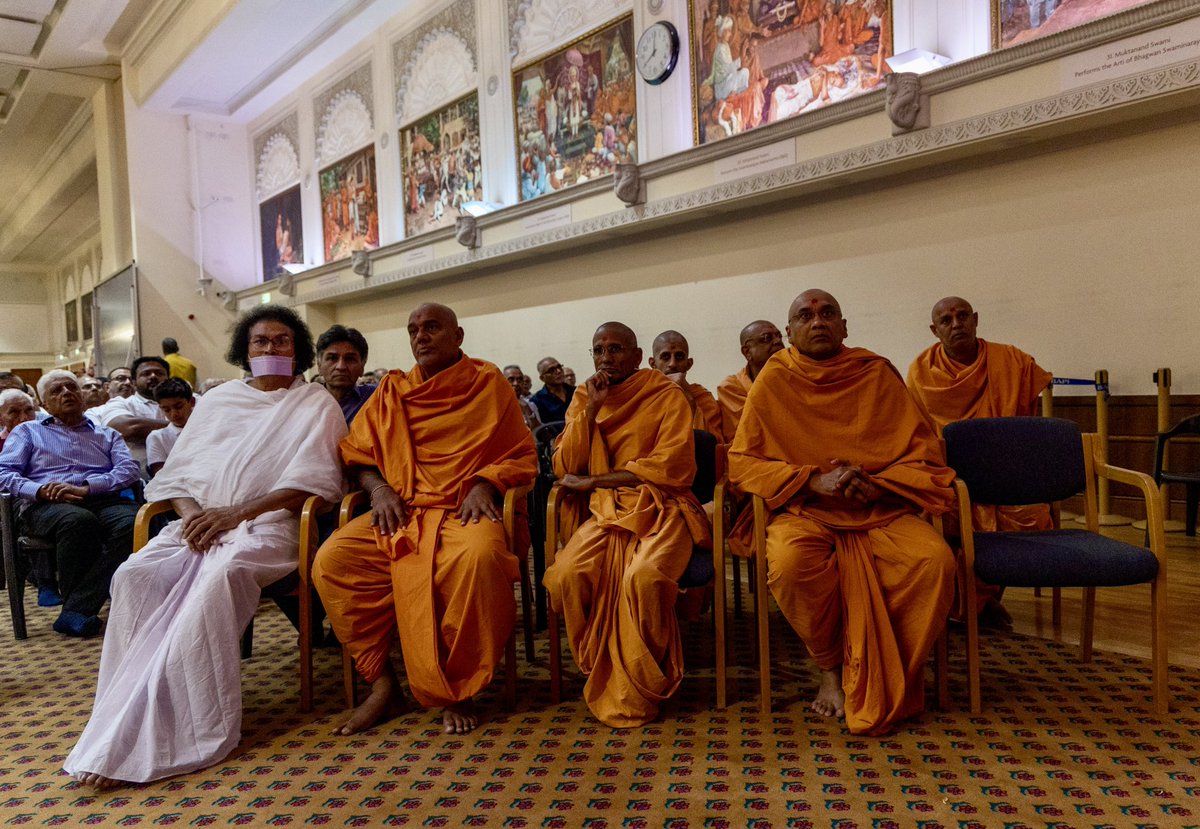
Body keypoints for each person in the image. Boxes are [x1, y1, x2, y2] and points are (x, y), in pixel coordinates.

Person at [62, 305, 346, 788]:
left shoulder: (315, 403)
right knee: (134, 575)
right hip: (199, 524)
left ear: (297, 348)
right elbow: (177, 475)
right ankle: (124, 715)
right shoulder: (219, 400)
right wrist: (194, 516)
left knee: (218, 579)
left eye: (281, 340)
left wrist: (236, 515)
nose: (271, 348)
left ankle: (189, 726)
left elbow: (313, 483)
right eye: (261, 341)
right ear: (245, 350)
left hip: (271, 527)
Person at [728, 290, 956, 736]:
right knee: (790, 564)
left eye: (827, 313)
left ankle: (890, 673)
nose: (817, 322)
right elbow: (743, 462)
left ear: (844, 326)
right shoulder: (774, 379)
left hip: (880, 507)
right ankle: (831, 669)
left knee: (934, 562)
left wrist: (879, 484)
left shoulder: (874, 372)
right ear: (789, 331)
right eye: (805, 316)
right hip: (805, 509)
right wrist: (811, 480)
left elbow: (923, 453)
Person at [313, 303, 538, 737]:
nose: (421, 337)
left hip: (464, 509)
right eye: (413, 329)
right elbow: (358, 456)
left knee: (478, 560)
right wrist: (379, 490)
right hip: (403, 511)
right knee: (332, 561)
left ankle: (458, 688)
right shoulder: (392, 390)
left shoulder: (487, 382)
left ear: (458, 336)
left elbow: (520, 454)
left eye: (432, 327)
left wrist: (485, 484)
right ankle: (383, 685)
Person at [543, 322, 710, 727]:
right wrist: (591, 410)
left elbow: (674, 466)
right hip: (605, 512)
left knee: (644, 578)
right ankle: (599, 663)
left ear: (637, 357)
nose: (606, 358)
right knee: (565, 575)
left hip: (663, 507)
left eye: (616, 349)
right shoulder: (584, 396)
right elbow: (566, 466)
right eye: (598, 350)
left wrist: (598, 481)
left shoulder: (664, 394)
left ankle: (642, 677)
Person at [906, 295, 1054, 624]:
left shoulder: (1012, 361)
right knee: (938, 517)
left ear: (975, 319)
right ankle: (964, 602)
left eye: (962, 316)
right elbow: (917, 435)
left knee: (1030, 516)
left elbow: (1030, 427)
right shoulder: (921, 372)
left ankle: (983, 600)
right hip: (948, 476)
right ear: (934, 330)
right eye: (946, 320)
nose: (956, 324)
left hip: (1008, 475)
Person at [0, 371, 140, 636]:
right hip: (47, 503)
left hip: (100, 498)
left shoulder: (106, 434)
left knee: (136, 523)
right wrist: (40, 490)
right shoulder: (28, 432)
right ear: (43, 403)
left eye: (71, 387)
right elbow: (4, 473)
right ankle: (79, 609)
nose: (66, 393)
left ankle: (76, 610)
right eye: (56, 391)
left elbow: (129, 469)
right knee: (78, 521)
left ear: (81, 397)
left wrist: (88, 487)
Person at [98, 356, 169, 475]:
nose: (153, 376)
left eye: (159, 373)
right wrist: (181, 427)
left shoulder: (189, 399)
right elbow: (127, 429)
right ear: (134, 381)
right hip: (139, 476)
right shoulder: (121, 403)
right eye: (146, 374)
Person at [647, 330, 723, 440]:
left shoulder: (702, 397)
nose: (672, 364)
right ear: (653, 363)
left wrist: (688, 397)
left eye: (679, 357)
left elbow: (714, 443)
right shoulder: (643, 395)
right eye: (665, 357)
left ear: (689, 364)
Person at [717, 321, 784, 443]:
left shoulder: (795, 375)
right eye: (767, 338)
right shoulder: (732, 387)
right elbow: (743, 436)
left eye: (779, 336)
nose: (777, 341)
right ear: (747, 352)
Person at [315, 325, 375, 424]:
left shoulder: (377, 398)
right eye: (332, 358)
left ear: (362, 366)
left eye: (350, 359)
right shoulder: (305, 402)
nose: (341, 367)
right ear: (319, 365)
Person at [145, 379, 195, 477]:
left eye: (179, 407)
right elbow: (160, 476)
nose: (174, 414)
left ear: (192, 402)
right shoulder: (157, 437)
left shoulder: (207, 429)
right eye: (166, 410)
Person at [531, 357, 574, 424]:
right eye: (552, 370)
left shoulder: (575, 391)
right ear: (542, 378)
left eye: (559, 367)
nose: (558, 371)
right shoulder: (537, 400)